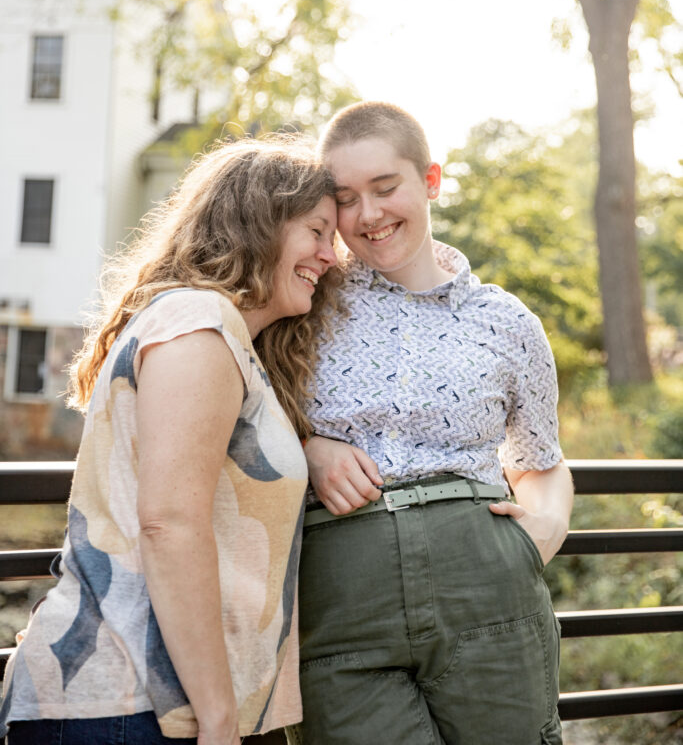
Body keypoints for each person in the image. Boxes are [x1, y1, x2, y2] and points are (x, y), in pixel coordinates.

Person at [0, 138, 339, 745]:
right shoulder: (199, 327)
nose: (331, 255)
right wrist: (216, 719)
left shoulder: (212, 333)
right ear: (260, 223)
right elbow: (168, 525)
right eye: (317, 231)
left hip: (134, 707)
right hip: (133, 709)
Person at [290, 102, 573, 745]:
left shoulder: (509, 323)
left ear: (431, 181)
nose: (368, 215)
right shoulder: (305, 301)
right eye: (345, 198)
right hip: (340, 606)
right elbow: (242, 410)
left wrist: (543, 528)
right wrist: (307, 447)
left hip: (489, 591)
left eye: (385, 188)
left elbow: (540, 459)